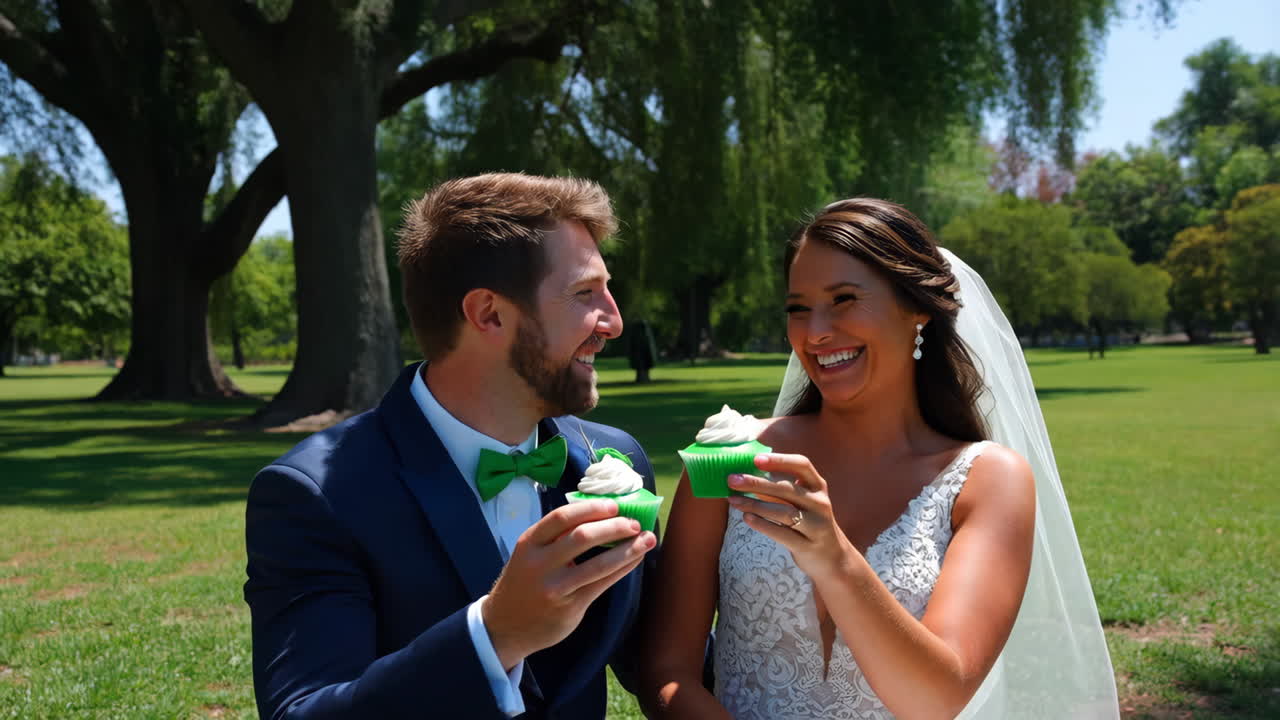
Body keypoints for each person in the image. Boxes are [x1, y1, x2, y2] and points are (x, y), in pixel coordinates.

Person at [640, 198, 1117, 718]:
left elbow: (937, 698)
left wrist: (835, 559)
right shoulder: (729, 458)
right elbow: (667, 673)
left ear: (918, 310)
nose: (815, 332)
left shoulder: (988, 479)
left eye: (843, 299)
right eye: (798, 308)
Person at [245, 173, 660, 719]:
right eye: (585, 294)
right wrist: (494, 636)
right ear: (489, 313)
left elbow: (663, 663)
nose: (613, 320)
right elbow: (304, 711)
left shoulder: (616, 463)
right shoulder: (315, 496)